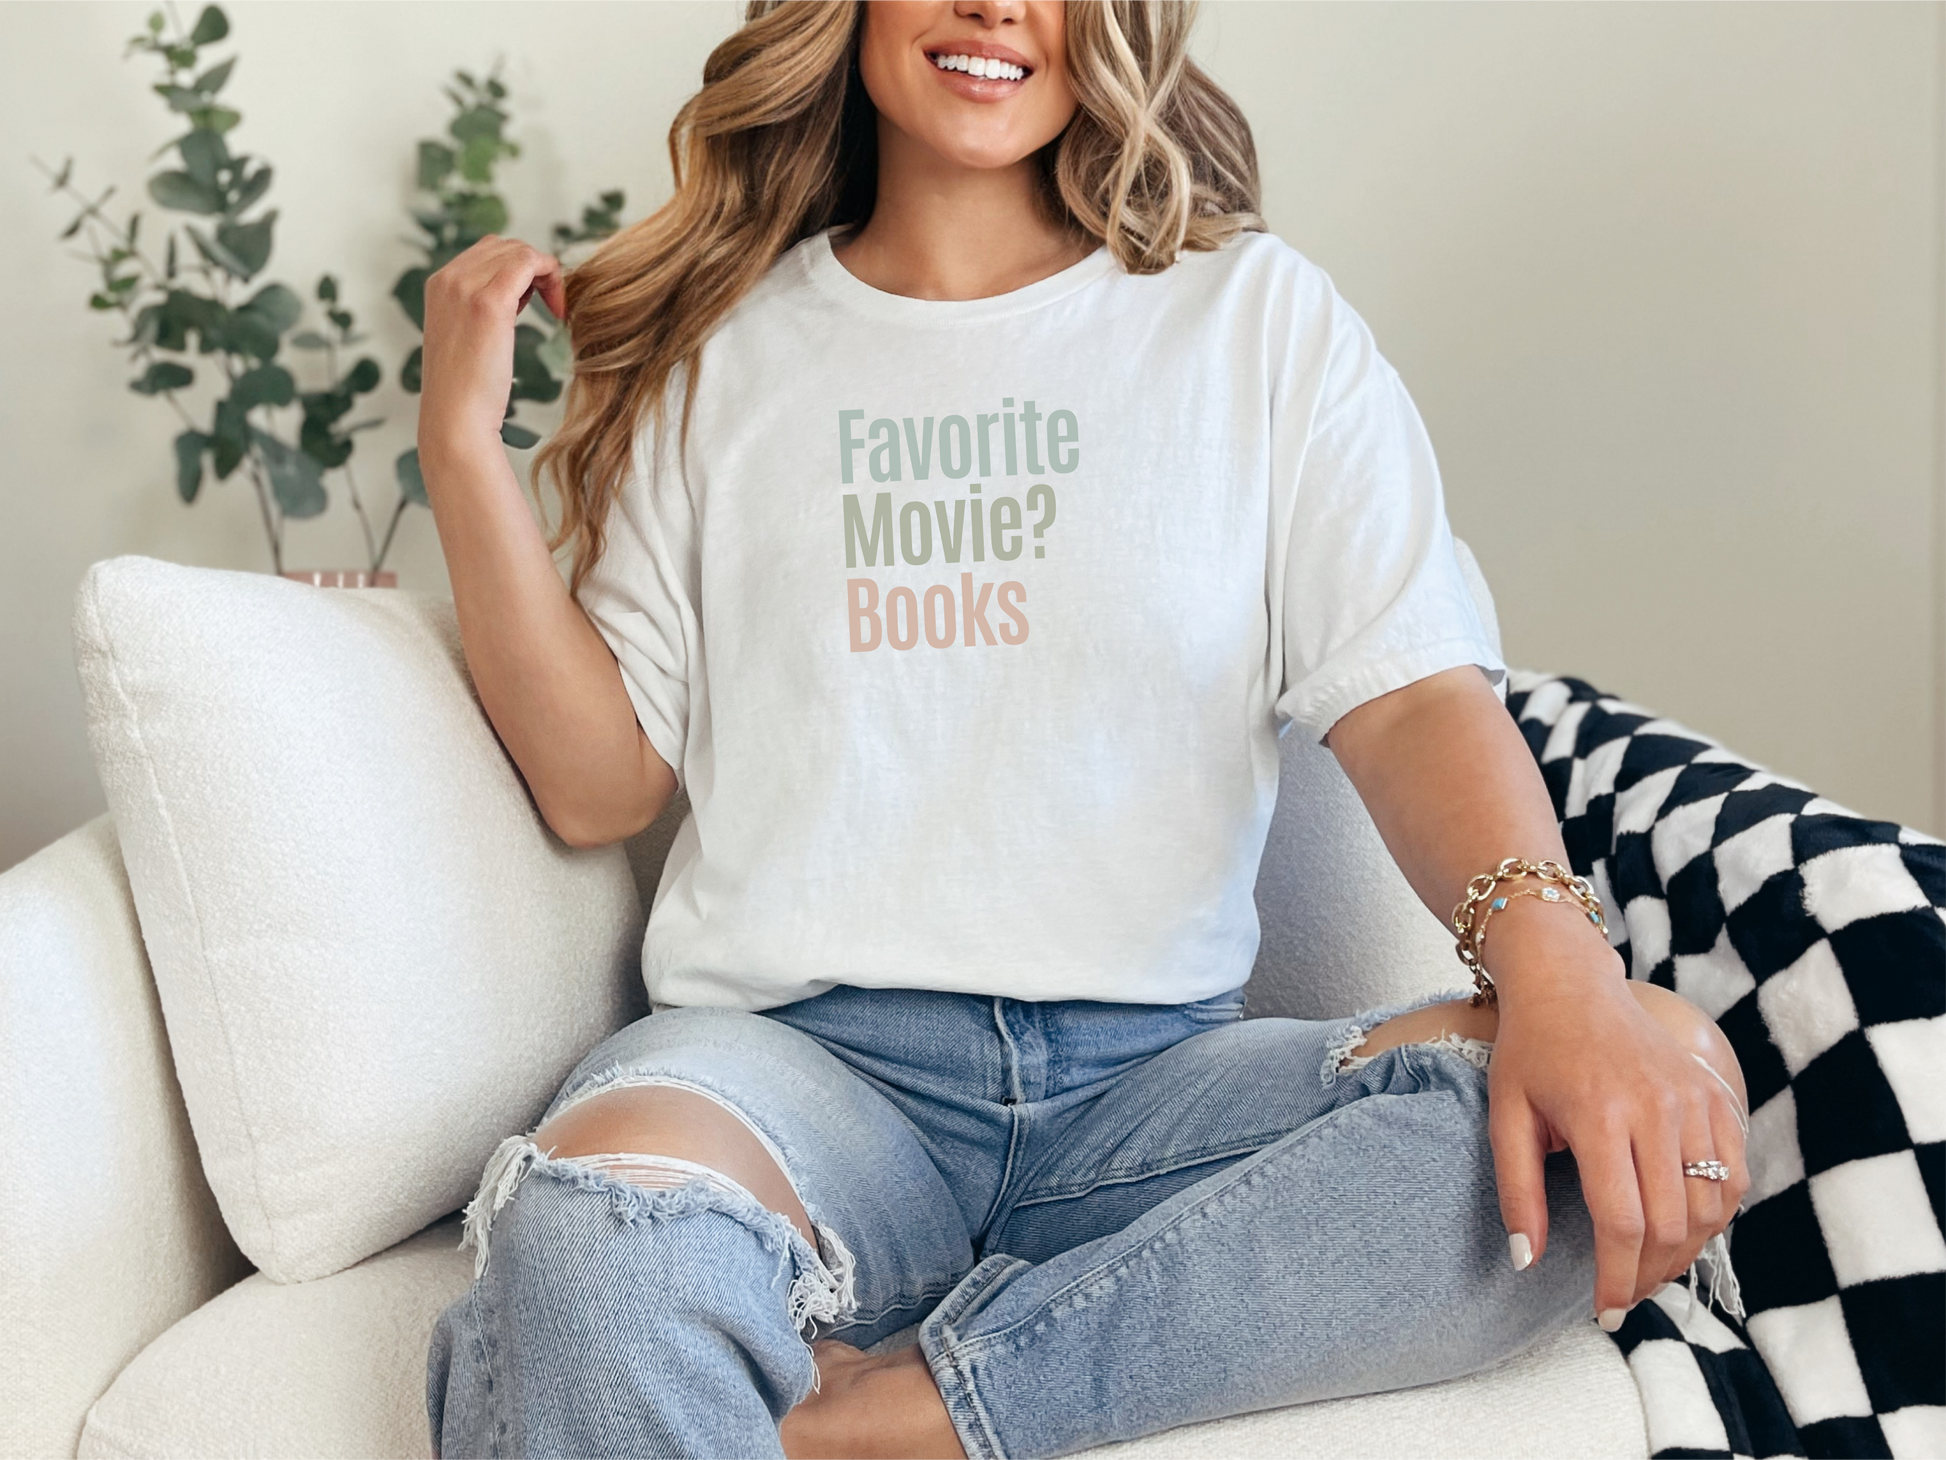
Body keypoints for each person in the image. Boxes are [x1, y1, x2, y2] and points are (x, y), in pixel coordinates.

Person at [416, 1, 1750, 1455]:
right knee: (599, 1241)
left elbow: (1412, 696)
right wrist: (461, 454)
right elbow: (598, 785)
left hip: (1150, 1099)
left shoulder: (1256, 324)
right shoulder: (723, 351)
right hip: (794, 1076)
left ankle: (895, 1416)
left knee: (1657, 1079)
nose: (999, 7)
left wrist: (1554, 968)